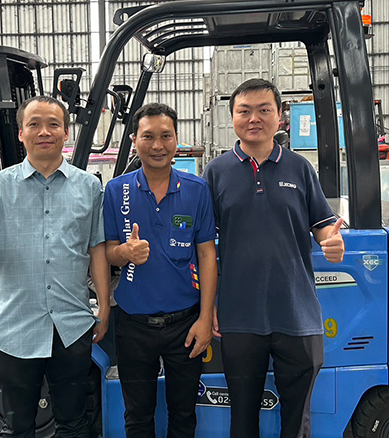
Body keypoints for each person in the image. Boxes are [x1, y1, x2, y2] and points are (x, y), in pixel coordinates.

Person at [0, 95, 110, 438]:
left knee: (74, 424)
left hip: (71, 326)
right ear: (21, 133)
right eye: (34, 124)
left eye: (53, 124)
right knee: (18, 426)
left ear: (66, 133)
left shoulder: (89, 187)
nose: (44, 132)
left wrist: (104, 306)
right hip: (16, 329)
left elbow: (97, 249)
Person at [202, 79, 345, 438]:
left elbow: (323, 226)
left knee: (297, 420)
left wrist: (332, 242)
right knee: (242, 417)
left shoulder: (300, 168)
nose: (254, 118)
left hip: (297, 313)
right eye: (244, 111)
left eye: (264, 110)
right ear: (232, 117)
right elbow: (203, 246)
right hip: (239, 315)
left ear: (279, 116)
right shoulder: (216, 173)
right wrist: (209, 304)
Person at [103, 103, 218, 438]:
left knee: (183, 414)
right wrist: (124, 252)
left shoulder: (197, 190)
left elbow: (207, 255)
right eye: (148, 136)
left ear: (176, 139)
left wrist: (205, 318)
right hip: (134, 325)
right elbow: (107, 252)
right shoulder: (116, 191)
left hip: (185, 324)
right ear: (134, 140)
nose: (157, 145)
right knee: (138, 416)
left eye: (166, 136)